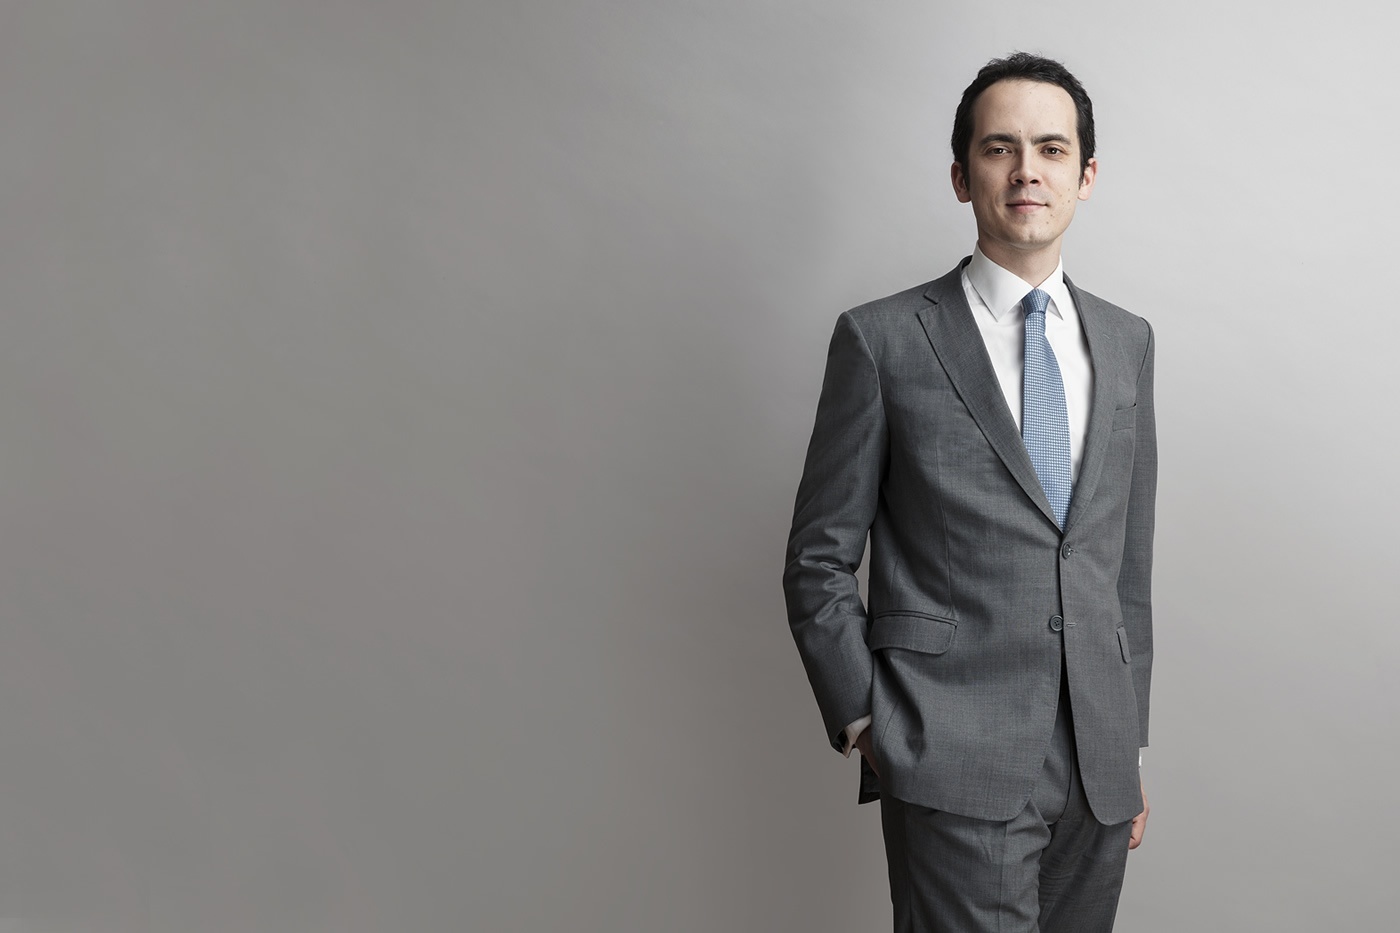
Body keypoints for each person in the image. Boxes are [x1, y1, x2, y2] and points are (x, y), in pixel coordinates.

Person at [782, 52, 1155, 932]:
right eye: (999, 148)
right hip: (947, 752)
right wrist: (869, 723)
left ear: (1086, 175)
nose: (1028, 170)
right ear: (962, 176)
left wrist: (1128, 747)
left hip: (1097, 770)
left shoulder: (1128, 341)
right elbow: (817, 560)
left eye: (1052, 149)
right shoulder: (882, 340)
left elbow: (1125, 571)